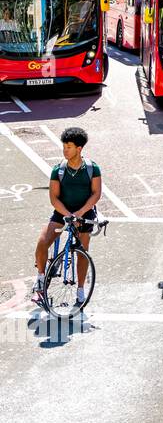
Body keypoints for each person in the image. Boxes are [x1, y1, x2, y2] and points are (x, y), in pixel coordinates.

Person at [32, 127, 101, 306]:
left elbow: (96, 194)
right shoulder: (58, 170)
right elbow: (54, 198)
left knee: (82, 253)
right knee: (42, 243)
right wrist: (68, 214)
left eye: (68, 147)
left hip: (84, 214)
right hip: (62, 213)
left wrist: (79, 213)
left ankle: (80, 289)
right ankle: (40, 278)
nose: (65, 151)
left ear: (79, 149)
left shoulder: (93, 169)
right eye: (64, 146)